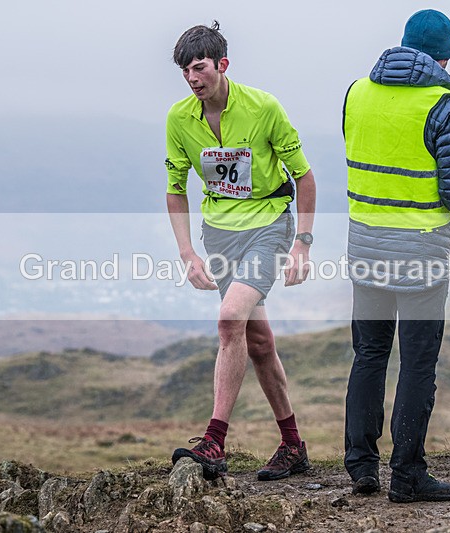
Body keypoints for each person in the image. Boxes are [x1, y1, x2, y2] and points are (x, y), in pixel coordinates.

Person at [342, 9, 450, 502]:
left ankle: (362, 467)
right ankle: (408, 474)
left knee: (369, 354)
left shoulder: (356, 93)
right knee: (417, 363)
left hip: (367, 250)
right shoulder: (446, 107)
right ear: (445, 56)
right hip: (420, 256)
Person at [165, 21, 316, 481]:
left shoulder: (263, 107)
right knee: (258, 341)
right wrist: (188, 252)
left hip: (270, 226)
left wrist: (302, 245)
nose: (192, 79)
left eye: (199, 68)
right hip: (220, 235)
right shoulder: (179, 119)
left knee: (230, 319)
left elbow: (305, 179)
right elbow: (175, 188)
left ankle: (214, 441)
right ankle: (293, 446)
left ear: (221, 65)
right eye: (185, 71)